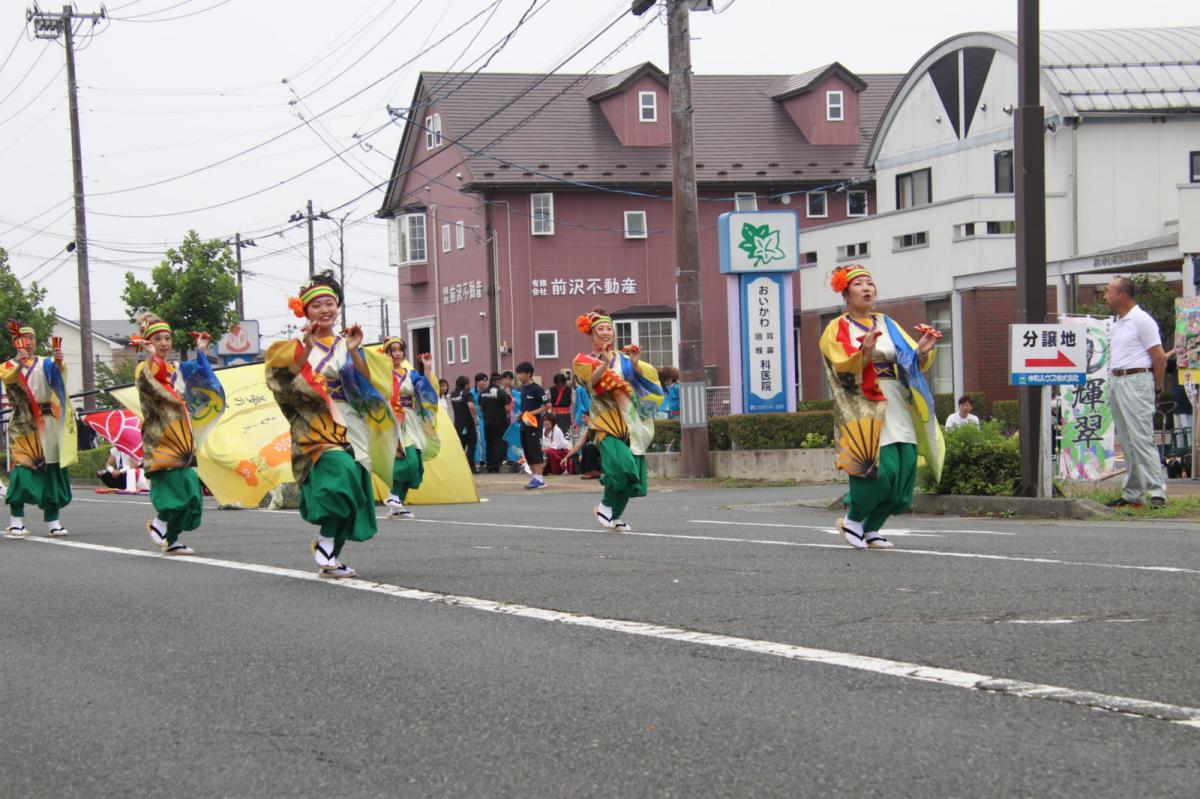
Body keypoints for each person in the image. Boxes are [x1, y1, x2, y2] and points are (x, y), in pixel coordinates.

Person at [266, 271, 395, 579]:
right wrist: (308, 348)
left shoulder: (345, 342)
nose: (325, 310)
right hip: (316, 425)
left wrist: (353, 350)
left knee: (354, 489)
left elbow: (369, 382)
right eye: (317, 305)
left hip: (351, 422)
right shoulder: (295, 346)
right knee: (342, 474)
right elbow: (281, 382)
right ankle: (326, 545)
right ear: (305, 311)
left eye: (330, 303)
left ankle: (330, 554)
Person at [819, 265, 943, 550]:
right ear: (846, 293)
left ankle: (871, 528)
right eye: (859, 284)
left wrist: (922, 350)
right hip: (864, 407)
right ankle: (852, 519)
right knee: (879, 470)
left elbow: (909, 360)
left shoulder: (887, 323)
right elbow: (841, 367)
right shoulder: (838, 327)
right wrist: (864, 351)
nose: (866, 288)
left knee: (905, 469)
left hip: (897, 400)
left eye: (870, 283)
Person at [133, 315, 225, 556]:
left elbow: (198, 378)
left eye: (167, 338)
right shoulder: (144, 369)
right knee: (173, 490)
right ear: (148, 342)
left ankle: (171, 538)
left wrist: (201, 351)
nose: (164, 343)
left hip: (182, 437)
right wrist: (152, 357)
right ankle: (160, 522)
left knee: (191, 492)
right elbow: (154, 386)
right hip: (162, 438)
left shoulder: (175, 368)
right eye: (157, 339)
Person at [573, 308, 663, 531]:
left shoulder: (622, 358)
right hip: (605, 423)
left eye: (608, 329)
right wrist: (603, 363)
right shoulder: (584, 360)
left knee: (634, 477)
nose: (606, 333)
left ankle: (614, 515)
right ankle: (605, 506)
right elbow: (592, 384)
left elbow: (638, 384)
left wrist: (633, 363)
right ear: (591, 335)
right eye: (600, 329)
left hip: (630, 423)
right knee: (624, 469)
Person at [2, 322, 75, 539]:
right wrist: (18, 361)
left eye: (32, 338)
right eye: (24, 338)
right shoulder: (7, 365)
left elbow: (58, 381)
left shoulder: (46, 362)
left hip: (50, 423)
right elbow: (8, 378)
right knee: (24, 471)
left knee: (52, 471)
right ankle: (16, 522)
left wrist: (59, 363)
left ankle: (53, 522)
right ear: (17, 342)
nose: (29, 342)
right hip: (25, 425)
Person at [1103, 275, 1167, 508]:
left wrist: (1156, 387)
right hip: (1118, 380)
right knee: (1127, 440)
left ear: (1123, 295)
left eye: (1109, 291)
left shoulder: (1141, 320)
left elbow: (1158, 356)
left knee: (1141, 437)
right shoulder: (1118, 322)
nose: (1105, 295)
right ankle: (1134, 493)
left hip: (1137, 378)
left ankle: (1157, 491)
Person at [380, 337, 437, 520]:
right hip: (394, 419)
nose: (397, 353)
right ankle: (393, 496)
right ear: (386, 353)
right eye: (392, 350)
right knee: (407, 459)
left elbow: (426, 390)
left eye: (399, 350)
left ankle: (398, 504)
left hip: (411, 419)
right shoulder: (382, 373)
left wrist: (427, 367)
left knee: (416, 464)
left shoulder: (410, 374)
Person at [515, 361, 549, 489]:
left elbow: (547, 406)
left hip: (534, 425)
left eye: (521, 374)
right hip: (523, 424)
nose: (519, 376)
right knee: (527, 451)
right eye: (518, 374)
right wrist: (522, 415)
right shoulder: (522, 389)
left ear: (529, 374)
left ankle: (540, 478)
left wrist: (530, 414)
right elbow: (525, 409)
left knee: (535, 450)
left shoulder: (537, 388)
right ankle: (535, 477)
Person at [478, 372, 511, 473]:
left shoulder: (482, 393)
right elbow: (507, 409)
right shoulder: (501, 392)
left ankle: (489, 465)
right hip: (500, 422)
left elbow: (480, 407)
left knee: (489, 443)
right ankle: (496, 465)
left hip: (487, 422)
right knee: (500, 443)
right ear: (498, 381)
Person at [451, 375, 479, 471]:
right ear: (466, 384)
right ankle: (470, 467)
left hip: (458, 424)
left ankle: (458, 466)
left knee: (460, 446)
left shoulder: (453, 394)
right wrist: (475, 418)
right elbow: (471, 406)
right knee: (471, 445)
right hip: (468, 424)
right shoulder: (467, 394)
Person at [471, 372, 488, 471]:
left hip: (486, 418)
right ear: (477, 381)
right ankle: (477, 461)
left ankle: (485, 460)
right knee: (477, 440)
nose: (484, 383)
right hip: (476, 419)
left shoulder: (487, 392)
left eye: (486, 380)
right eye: (482, 380)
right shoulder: (472, 393)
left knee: (485, 440)